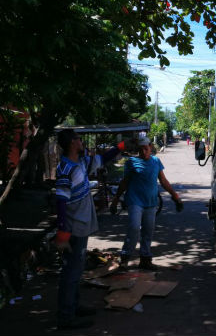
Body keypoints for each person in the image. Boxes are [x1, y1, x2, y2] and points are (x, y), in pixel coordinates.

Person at [54, 129, 124, 330]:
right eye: (77, 138)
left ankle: (74, 307)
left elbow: (103, 158)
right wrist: (62, 231)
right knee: (71, 272)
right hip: (73, 226)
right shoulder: (66, 168)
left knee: (76, 269)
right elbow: (60, 201)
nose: (81, 141)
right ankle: (66, 317)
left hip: (80, 226)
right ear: (71, 143)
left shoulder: (81, 163)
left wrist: (121, 147)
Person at [110, 136, 183, 271]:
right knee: (134, 227)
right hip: (134, 201)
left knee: (148, 231)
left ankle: (145, 259)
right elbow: (124, 182)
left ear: (150, 147)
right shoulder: (131, 162)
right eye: (140, 149)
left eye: (145, 148)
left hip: (150, 202)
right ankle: (125, 258)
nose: (143, 152)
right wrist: (115, 200)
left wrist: (175, 196)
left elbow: (163, 181)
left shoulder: (156, 161)